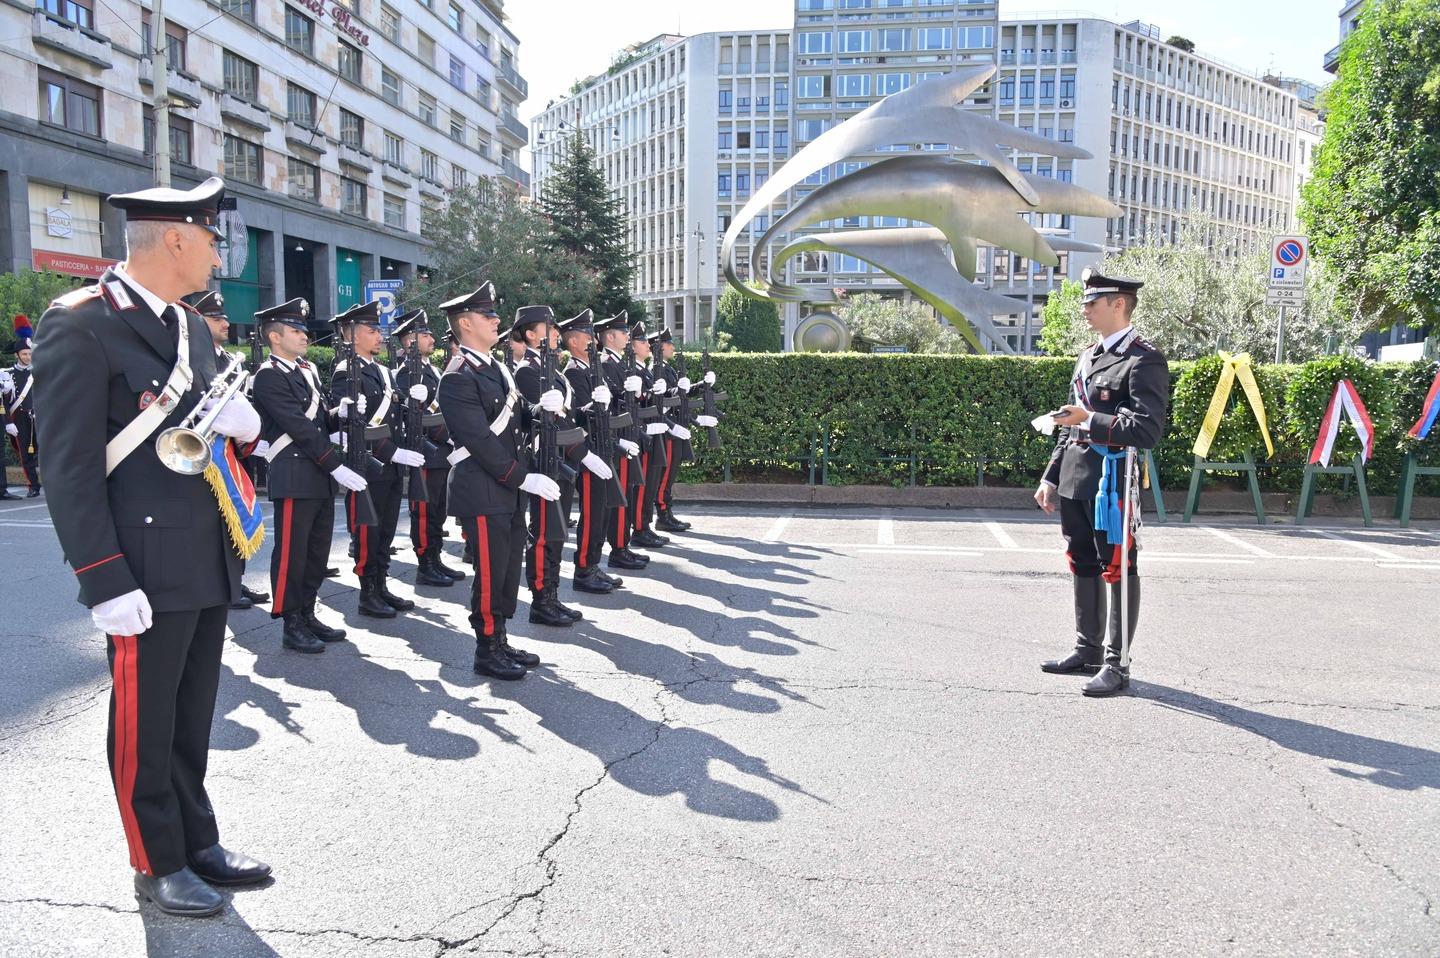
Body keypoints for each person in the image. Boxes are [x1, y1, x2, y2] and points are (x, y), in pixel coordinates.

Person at [33, 177, 272, 917]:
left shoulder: (191, 328)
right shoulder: (80, 322)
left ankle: (197, 840)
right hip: (138, 567)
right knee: (145, 721)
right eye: (209, 238)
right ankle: (156, 860)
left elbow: (194, 445)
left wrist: (245, 428)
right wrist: (104, 580)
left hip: (202, 554)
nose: (215, 253)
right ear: (175, 239)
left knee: (191, 712)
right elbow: (67, 468)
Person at [1035, 268, 1169, 698]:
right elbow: (1069, 423)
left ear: (1119, 304)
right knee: (1082, 562)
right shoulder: (1089, 354)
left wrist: (1091, 419)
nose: (1085, 308)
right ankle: (1087, 649)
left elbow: (1147, 430)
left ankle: (1117, 663)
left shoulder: (1143, 358)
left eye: (1093, 302)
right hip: (1077, 477)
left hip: (1112, 483)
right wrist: (1051, 475)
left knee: (1118, 568)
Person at [436, 283, 562, 679]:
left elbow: (518, 417)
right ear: (465, 323)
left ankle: (501, 638)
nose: (496, 321)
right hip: (483, 487)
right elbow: (480, 440)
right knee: (490, 573)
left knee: (508, 568)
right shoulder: (457, 377)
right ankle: (486, 649)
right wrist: (524, 479)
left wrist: (540, 409)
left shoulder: (497, 368)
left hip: (505, 488)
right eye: (487, 315)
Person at [249, 297, 360, 654]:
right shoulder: (267, 376)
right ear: (275, 337)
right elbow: (297, 427)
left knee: (316, 551)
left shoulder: (307, 371)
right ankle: (290, 620)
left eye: (303, 330)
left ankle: (308, 611)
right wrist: (336, 464)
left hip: (317, 474)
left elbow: (317, 423)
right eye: (295, 330)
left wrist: (336, 413)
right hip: (295, 473)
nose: (303, 336)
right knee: (292, 553)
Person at [511, 305, 608, 626]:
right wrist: (585, 454)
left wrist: (589, 409)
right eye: (549, 329)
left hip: (561, 460)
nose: (556, 335)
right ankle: (541, 600)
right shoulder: (526, 371)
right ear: (530, 334)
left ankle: (552, 595)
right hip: (545, 462)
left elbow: (567, 416)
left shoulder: (554, 372)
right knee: (543, 533)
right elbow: (546, 421)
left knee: (557, 531)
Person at [330, 300, 425, 619]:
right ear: (353, 336)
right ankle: (367, 592)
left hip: (392, 466)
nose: (379, 336)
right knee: (368, 531)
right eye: (372, 331)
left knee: (385, 529)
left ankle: (381, 585)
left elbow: (394, 416)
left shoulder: (382, 371)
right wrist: (393, 452)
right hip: (368, 465)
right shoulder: (346, 372)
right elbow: (358, 427)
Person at [190, 291, 270, 611]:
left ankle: (236, 581)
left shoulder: (227, 359)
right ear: (198, 322)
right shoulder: (195, 357)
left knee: (233, 519)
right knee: (213, 525)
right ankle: (220, 585)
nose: (225, 323)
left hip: (233, 452)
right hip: (206, 454)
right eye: (216, 318)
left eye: (224, 318)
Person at [392, 309, 466, 588]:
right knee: (423, 511)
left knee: (437, 510)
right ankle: (425, 564)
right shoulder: (405, 373)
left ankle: (435, 558)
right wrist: (450, 436)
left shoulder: (432, 369)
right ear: (410, 340)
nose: (432, 338)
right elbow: (417, 418)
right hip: (425, 451)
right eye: (425, 334)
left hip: (442, 453)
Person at [560, 310, 630, 595]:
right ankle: (584, 569)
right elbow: (574, 416)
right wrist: (591, 408)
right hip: (588, 452)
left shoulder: (590, 370)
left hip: (603, 447)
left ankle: (593, 564)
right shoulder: (573, 372)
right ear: (574, 342)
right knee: (591, 513)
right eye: (587, 336)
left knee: (602, 511)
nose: (592, 340)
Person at [594, 312, 650, 572]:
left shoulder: (621, 362)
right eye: (624, 333)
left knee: (628, 491)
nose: (628, 337)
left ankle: (623, 545)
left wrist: (637, 392)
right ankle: (618, 548)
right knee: (621, 493)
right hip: (618, 437)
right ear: (610, 336)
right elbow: (610, 402)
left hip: (629, 434)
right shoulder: (606, 363)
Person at [628, 324, 677, 550]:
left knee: (651, 482)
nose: (648, 345)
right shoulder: (635, 370)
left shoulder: (644, 370)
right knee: (643, 484)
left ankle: (645, 526)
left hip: (654, 430)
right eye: (642, 341)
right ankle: (639, 527)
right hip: (644, 433)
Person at [649, 329, 695, 532]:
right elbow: (664, 401)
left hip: (673, 427)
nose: (673, 348)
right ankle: (663, 514)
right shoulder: (656, 369)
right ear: (659, 347)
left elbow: (677, 396)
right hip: (667, 429)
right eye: (669, 344)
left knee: (670, 474)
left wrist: (700, 385)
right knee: (665, 475)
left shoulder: (667, 368)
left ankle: (667, 512)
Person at [4, 316, 41, 497]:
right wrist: (7, 422)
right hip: (20, 418)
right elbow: (4, 401)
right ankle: (33, 486)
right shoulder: (7, 374)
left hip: (41, 417)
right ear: (17, 355)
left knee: (48, 453)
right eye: (24, 354)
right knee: (26, 455)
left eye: (30, 353)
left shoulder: (40, 370)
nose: (28, 357)